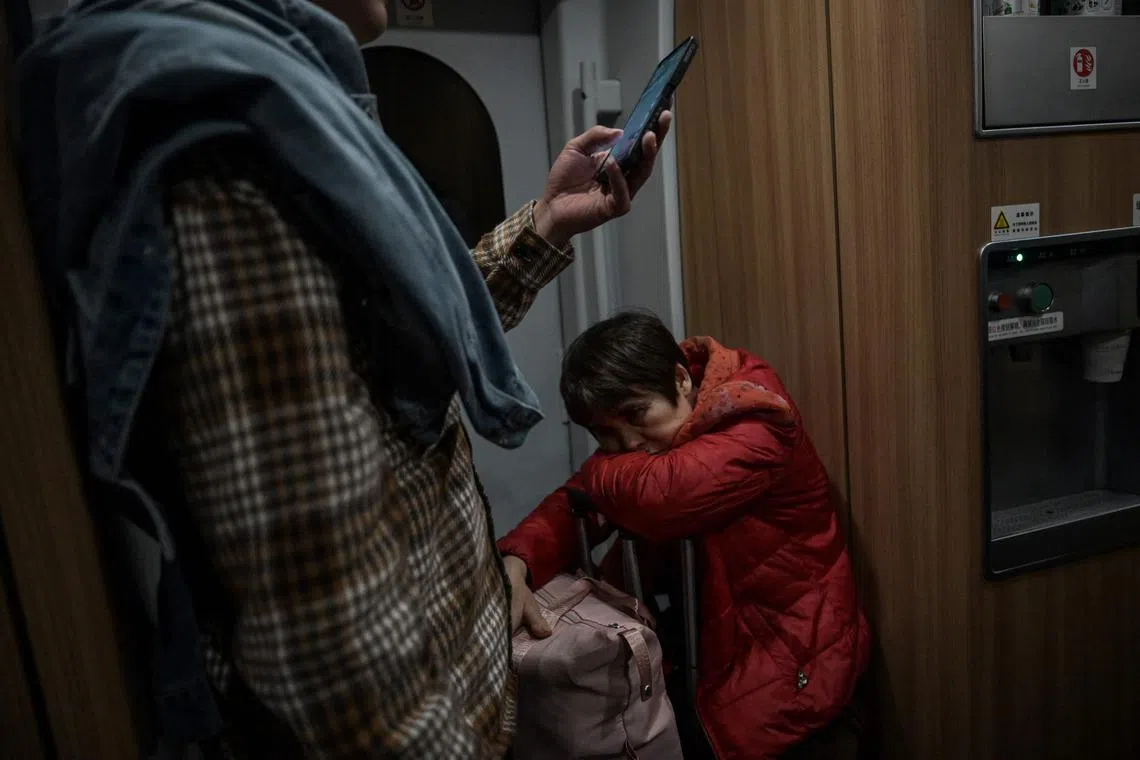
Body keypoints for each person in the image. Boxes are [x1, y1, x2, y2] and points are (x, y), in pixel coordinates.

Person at [13, 0, 670, 757]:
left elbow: (400, 345)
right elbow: (336, 659)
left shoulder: (288, 110)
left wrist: (549, 219)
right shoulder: (233, 149)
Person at [497, 311, 871, 759]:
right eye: (606, 434)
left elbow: (660, 498)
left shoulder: (759, 419)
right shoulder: (650, 449)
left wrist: (593, 471)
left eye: (637, 415)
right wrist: (517, 561)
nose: (629, 444)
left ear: (680, 380)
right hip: (713, 646)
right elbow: (579, 504)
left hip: (789, 656)